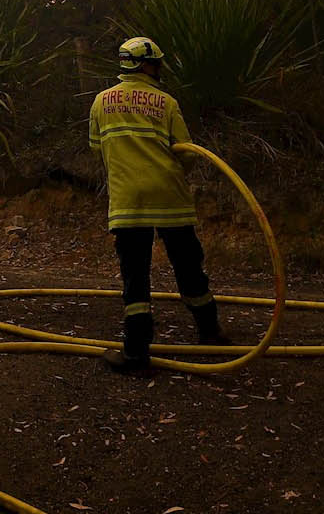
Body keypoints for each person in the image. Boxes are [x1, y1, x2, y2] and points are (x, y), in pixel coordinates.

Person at [89, 36, 229, 374]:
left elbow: (97, 149)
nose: (160, 68)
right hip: (170, 199)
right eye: (158, 62)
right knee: (188, 265)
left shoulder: (99, 103)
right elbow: (186, 152)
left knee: (135, 276)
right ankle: (209, 332)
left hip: (128, 203)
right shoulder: (166, 103)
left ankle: (136, 353)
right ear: (146, 64)